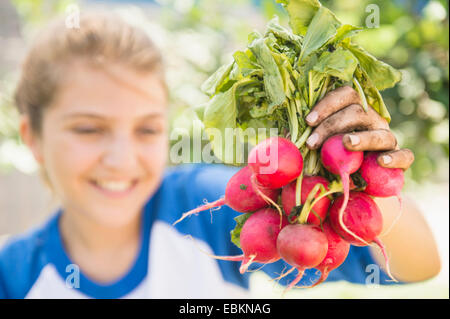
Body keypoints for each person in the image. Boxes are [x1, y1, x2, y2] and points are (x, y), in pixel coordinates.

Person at [0, 12, 440, 299]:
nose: (121, 158)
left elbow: (416, 265)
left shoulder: (195, 205)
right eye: (89, 129)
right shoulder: (13, 275)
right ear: (33, 137)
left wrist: (361, 170)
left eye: (147, 129)